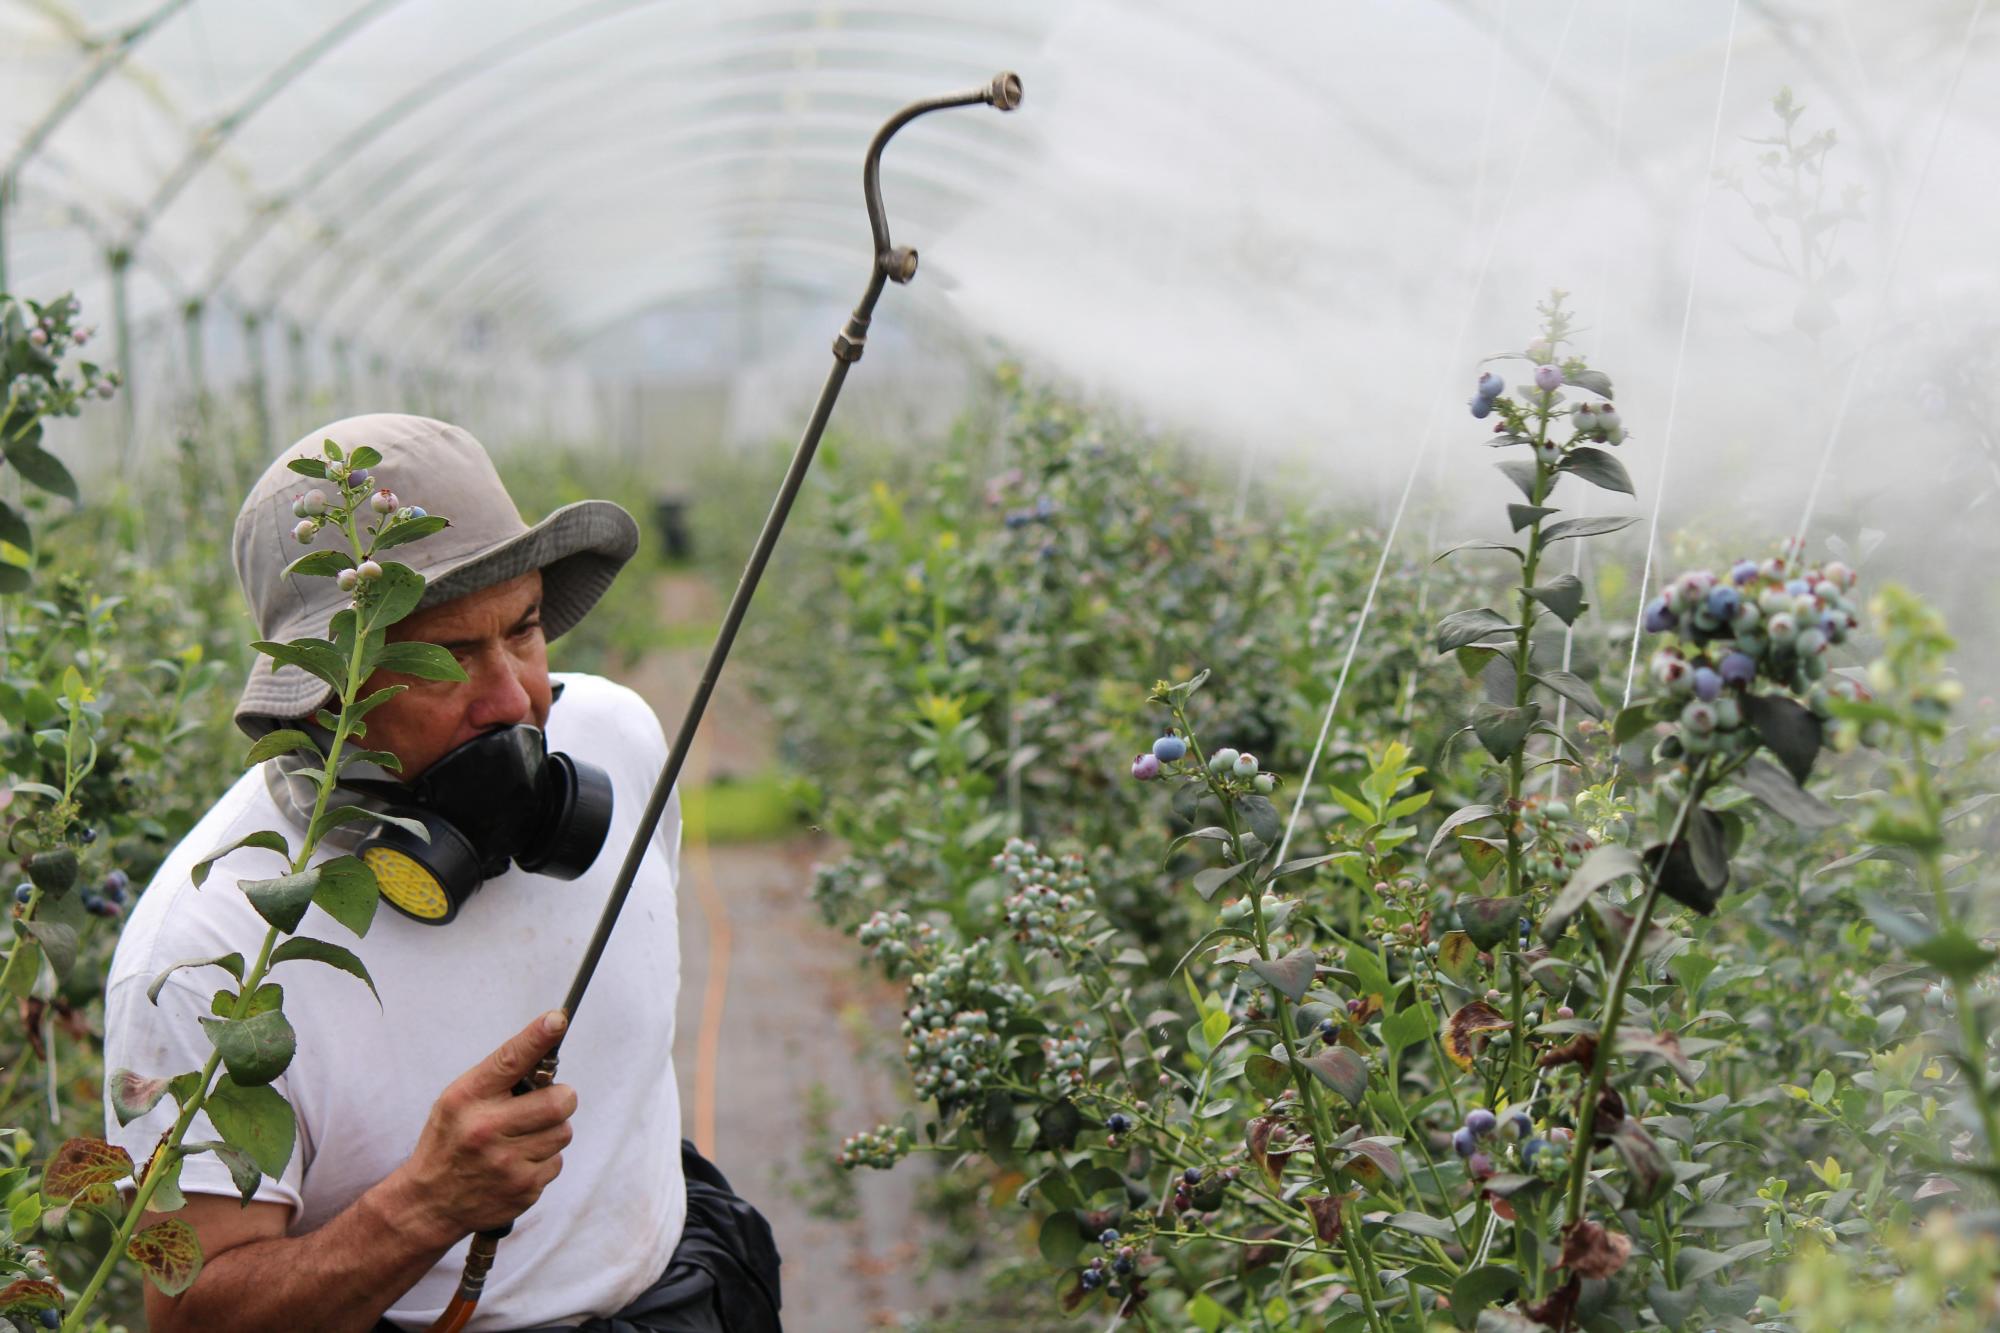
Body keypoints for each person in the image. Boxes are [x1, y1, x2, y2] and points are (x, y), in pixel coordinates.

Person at [100, 414, 782, 1332]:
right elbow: (191, 1316)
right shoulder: (206, 954)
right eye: (451, 657)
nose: (518, 700)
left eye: (527, 629)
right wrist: (423, 1204)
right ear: (325, 691)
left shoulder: (615, 740)